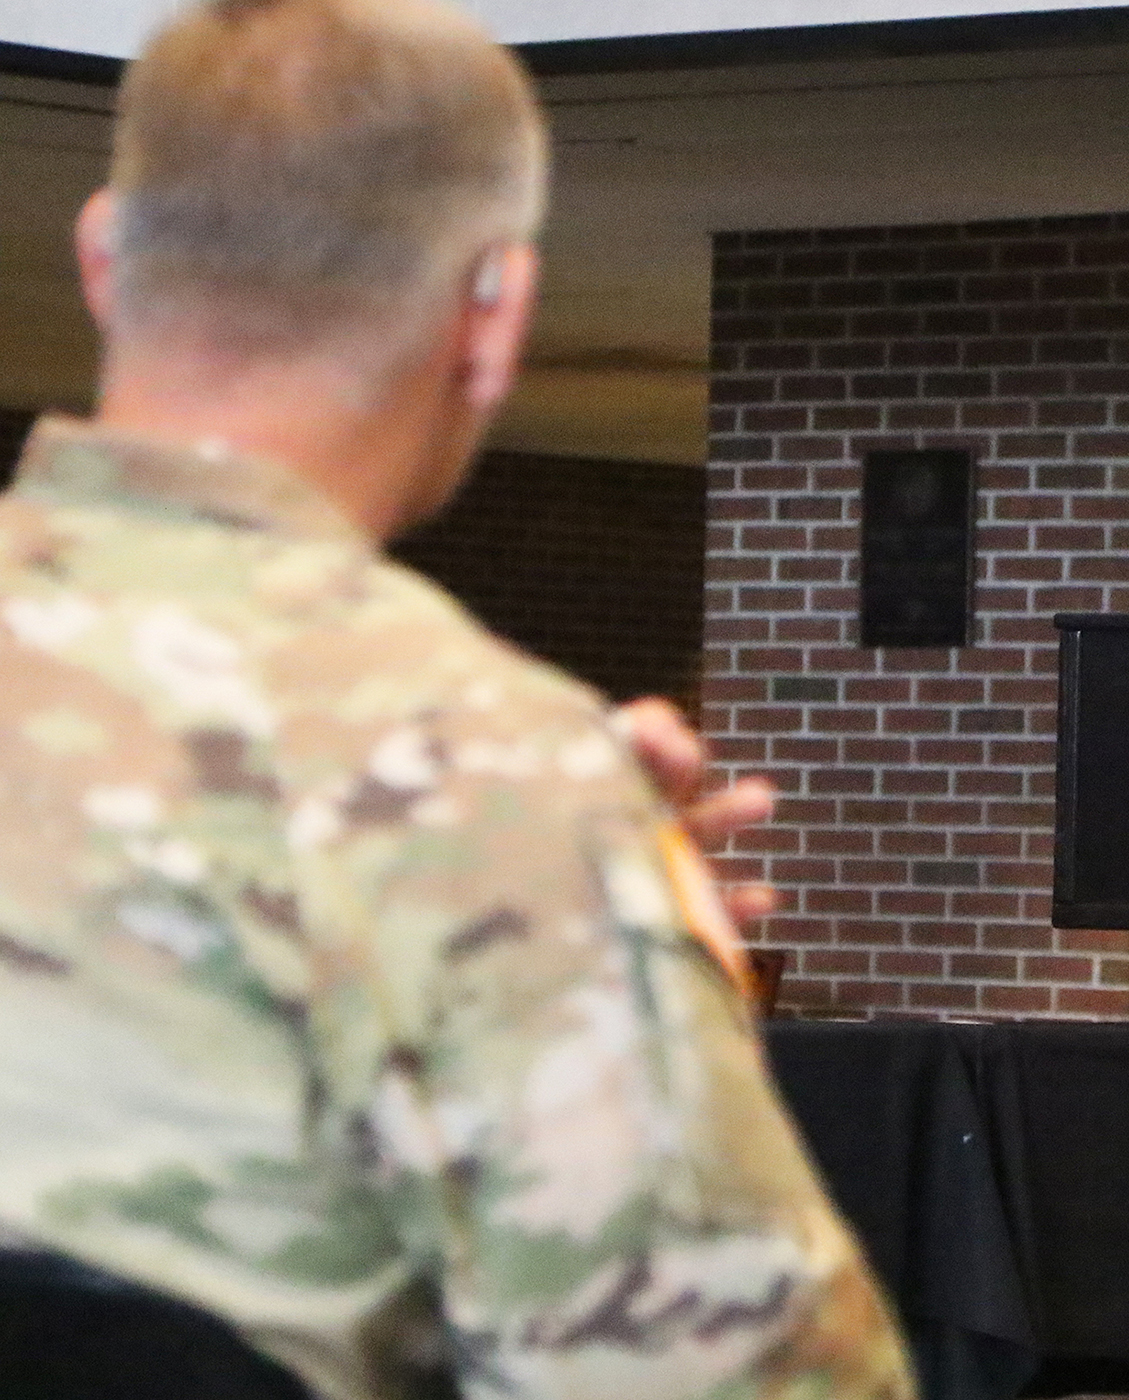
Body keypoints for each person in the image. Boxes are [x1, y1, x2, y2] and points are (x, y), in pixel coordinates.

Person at [0, 1, 914, 1397]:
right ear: (494, 315)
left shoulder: (502, 784)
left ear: (103, 257)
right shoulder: (492, 786)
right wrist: (606, 930)